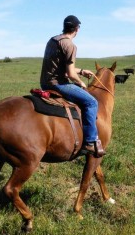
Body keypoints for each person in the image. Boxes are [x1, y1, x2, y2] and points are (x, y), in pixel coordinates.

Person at [40, 15, 106, 158]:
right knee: (91, 102)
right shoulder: (70, 45)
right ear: (77, 29)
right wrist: (80, 82)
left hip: (45, 83)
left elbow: (60, 67)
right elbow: (69, 73)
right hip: (59, 84)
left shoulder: (53, 40)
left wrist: (81, 71)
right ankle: (90, 141)